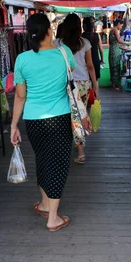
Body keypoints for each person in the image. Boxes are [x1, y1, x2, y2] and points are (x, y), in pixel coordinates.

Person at [11, 13, 75, 232]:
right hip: (60, 119)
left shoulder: (22, 59)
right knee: (58, 165)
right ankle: (53, 218)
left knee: (42, 159)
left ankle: (46, 204)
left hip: (33, 121)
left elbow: (20, 96)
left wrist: (13, 126)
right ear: (50, 31)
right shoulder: (63, 53)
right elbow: (71, 74)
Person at [56, 14, 99, 165]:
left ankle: (75, 147)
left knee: (67, 116)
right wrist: (95, 84)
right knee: (79, 115)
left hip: (64, 83)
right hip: (83, 84)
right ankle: (80, 149)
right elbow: (90, 65)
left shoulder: (57, 43)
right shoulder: (85, 42)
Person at [109, 19, 129, 91]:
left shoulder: (112, 30)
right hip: (115, 51)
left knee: (114, 66)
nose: (121, 27)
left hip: (113, 49)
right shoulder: (115, 30)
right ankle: (115, 85)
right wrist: (127, 43)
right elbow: (119, 40)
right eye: (121, 25)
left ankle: (114, 84)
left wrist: (124, 48)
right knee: (115, 67)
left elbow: (115, 43)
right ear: (118, 24)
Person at [82, 16, 104, 81]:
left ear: (84, 26)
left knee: (86, 80)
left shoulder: (81, 36)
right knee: (95, 80)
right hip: (95, 60)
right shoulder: (97, 35)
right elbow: (101, 50)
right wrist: (102, 60)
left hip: (85, 61)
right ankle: (95, 91)